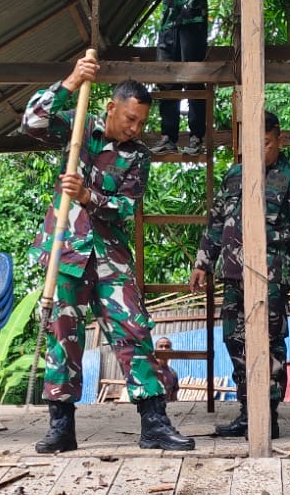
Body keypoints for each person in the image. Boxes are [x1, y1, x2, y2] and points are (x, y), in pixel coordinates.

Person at [24, 54, 194, 454]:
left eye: (142, 123)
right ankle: (61, 427)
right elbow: (32, 122)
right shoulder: (79, 126)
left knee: (134, 329)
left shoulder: (138, 156)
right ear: (111, 107)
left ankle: (154, 423)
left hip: (110, 256)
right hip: (66, 248)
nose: (135, 128)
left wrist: (88, 195)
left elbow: (126, 206)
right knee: (63, 335)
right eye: (129, 119)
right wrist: (70, 81)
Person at [190, 110, 290, 437]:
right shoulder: (234, 174)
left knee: (270, 343)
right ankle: (248, 411)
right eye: (253, 143)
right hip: (233, 273)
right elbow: (216, 222)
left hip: (271, 276)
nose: (260, 149)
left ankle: (268, 416)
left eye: (267, 142)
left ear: (279, 139)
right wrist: (203, 262)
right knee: (235, 340)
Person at [138, 0, 209, 158]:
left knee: (192, 79)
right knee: (165, 79)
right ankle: (168, 136)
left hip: (192, 23)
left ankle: (197, 136)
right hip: (168, 28)